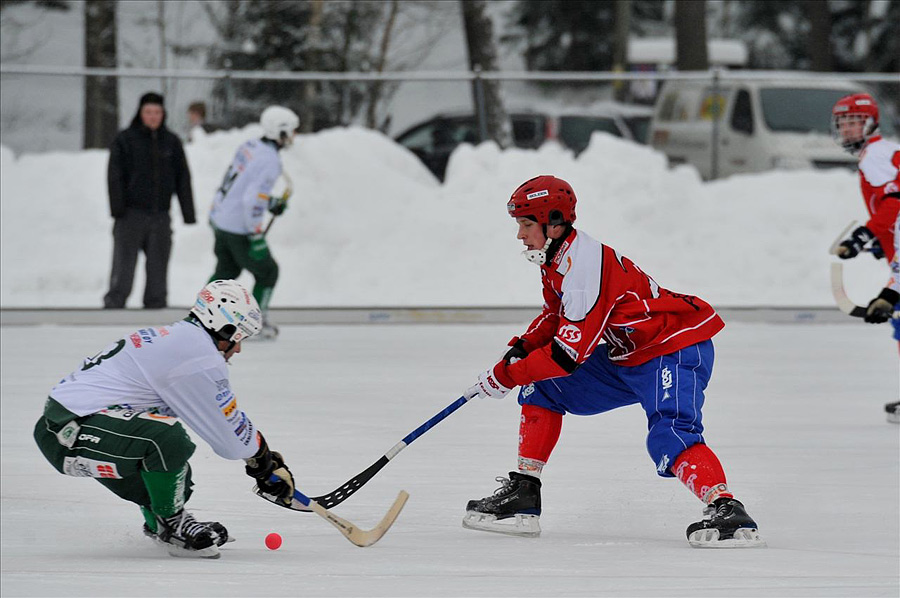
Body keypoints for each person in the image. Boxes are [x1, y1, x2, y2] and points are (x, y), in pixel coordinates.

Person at [460, 175, 765, 548]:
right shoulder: (556, 258)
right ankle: (524, 493)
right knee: (541, 386)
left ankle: (728, 510)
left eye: (526, 225)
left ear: (553, 223)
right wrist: (519, 350)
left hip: (672, 346)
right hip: (629, 353)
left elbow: (566, 355)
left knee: (669, 433)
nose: (520, 236)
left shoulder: (584, 266)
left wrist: (504, 377)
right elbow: (554, 318)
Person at [33, 280, 297, 559]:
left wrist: (260, 461)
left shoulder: (179, 339)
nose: (238, 349)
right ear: (225, 328)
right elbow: (229, 437)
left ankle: (161, 520)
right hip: (67, 432)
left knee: (175, 474)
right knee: (166, 440)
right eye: (240, 337)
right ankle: (173, 526)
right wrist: (262, 462)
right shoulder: (197, 355)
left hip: (67, 428)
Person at [831, 93, 900, 423]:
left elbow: (895, 199)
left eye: (854, 122)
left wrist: (865, 236)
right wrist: (877, 240)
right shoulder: (879, 153)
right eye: (842, 123)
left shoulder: (875, 155)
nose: (847, 129)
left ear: (871, 123)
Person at [207, 105, 299, 340]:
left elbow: (243, 187)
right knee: (268, 272)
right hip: (239, 228)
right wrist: (255, 234)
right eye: (292, 131)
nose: (294, 136)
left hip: (222, 218)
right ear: (281, 132)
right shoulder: (270, 161)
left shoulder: (250, 146)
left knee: (227, 270)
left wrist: (269, 202)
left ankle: (201, 318)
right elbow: (251, 199)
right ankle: (253, 324)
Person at [104, 92, 196, 309]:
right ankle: (114, 304)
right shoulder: (125, 139)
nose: (153, 116)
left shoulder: (171, 142)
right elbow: (114, 176)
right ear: (141, 113)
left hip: (160, 216)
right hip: (130, 215)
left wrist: (188, 212)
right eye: (148, 112)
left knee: (158, 268)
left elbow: (183, 178)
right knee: (123, 266)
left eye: (157, 112)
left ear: (163, 114)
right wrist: (118, 208)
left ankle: (155, 306)